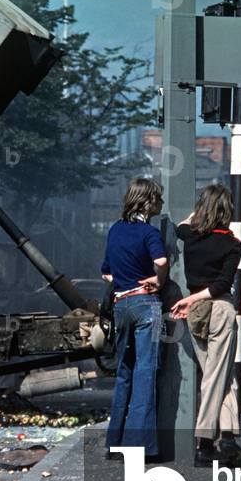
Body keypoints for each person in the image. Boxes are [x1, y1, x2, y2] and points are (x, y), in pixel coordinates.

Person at [169, 184, 241, 467]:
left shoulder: (190, 236)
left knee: (222, 376)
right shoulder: (232, 243)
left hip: (196, 311)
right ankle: (204, 443)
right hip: (219, 308)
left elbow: (182, 224)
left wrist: (202, 208)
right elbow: (222, 286)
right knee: (217, 376)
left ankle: (228, 442)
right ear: (226, 212)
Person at [100, 178, 168, 460]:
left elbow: (106, 273)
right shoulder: (149, 232)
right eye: (158, 199)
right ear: (148, 202)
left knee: (124, 373)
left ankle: (114, 443)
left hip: (121, 305)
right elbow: (162, 262)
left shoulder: (115, 230)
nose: (161, 204)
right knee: (145, 373)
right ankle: (140, 447)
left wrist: (126, 281)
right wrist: (158, 280)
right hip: (145, 305)